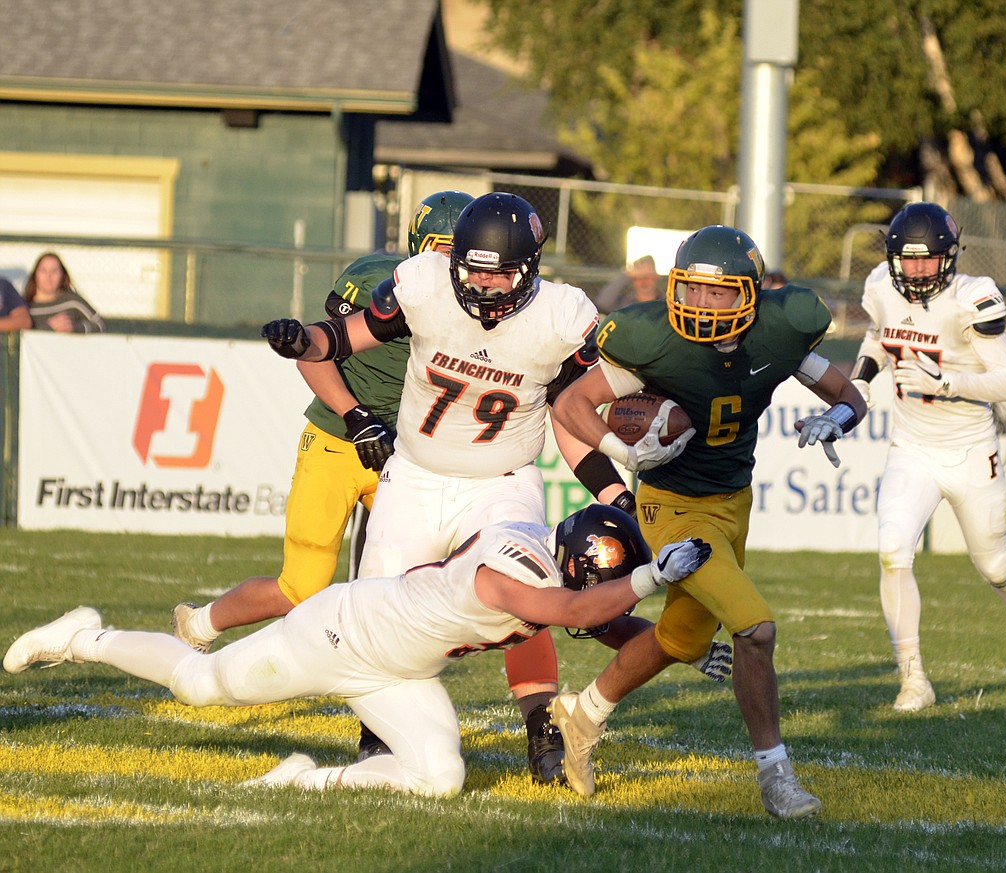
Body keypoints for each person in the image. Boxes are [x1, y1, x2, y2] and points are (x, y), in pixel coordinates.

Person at [260, 191, 649, 785]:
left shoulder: (562, 315)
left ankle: (544, 731)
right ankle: (380, 736)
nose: (482, 286)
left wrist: (609, 489)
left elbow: (571, 414)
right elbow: (341, 338)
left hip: (500, 481)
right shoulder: (424, 282)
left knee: (526, 594)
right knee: (377, 610)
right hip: (414, 475)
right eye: (472, 271)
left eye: (498, 275)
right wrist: (301, 338)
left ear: (529, 269)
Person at [3, 506, 711, 795]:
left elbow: (599, 620)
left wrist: (676, 643)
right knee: (199, 683)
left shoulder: (556, 569)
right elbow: (576, 609)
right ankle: (83, 636)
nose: (624, 588)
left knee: (440, 777)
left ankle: (305, 777)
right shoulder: (516, 567)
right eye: (619, 577)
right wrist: (652, 579)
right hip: (337, 634)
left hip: (398, 670)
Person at [547, 224, 867, 820]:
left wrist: (839, 419)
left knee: (680, 639)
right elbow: (570, 404)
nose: (702, 305)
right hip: (671, 507)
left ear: (748, 294)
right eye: (692, 291)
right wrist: (624, 449)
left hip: (733, 502)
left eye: (718, 295)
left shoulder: (779, 327)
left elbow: (849, 394)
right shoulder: (653, 339)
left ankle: (582, 713)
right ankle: (776, 776)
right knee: (755, 630)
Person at [171, 192, 474, 711]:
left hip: (407, 454)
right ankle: (198, 623)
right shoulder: (379, 283)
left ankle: (376, 689)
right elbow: (315, 352)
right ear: (419, 248)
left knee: (414, 579)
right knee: (301, 585)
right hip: (338, 438)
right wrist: (356, 417)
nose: (450, 264)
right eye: (442, 250)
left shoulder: (482, 306)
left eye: (459, 252)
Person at [848, 201, 1006, 713]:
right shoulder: (880, 285)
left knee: (994, 567)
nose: (917, 271)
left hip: (970, 451)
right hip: (911, 448)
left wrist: (947, 383)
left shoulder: (972, 298)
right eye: (909, 260)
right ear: (894, 259)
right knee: (893, 550)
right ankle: (914, 678)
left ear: (949, 257)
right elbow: (880, 334)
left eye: (928, 260)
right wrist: (859, 378)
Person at [23, 252, 105, 333]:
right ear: (35, 275)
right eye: (43, 271)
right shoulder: (24, 307)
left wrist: (75, 328)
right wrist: (49, 328)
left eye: (54, 271)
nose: (49, 276)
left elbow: (100, 324)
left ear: (62, 275)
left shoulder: (73, 301)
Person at [594, 254, 662, 313]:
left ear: (656, 277)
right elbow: (602, 303)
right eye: (638, 277)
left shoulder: (665, 303)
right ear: (632, 280)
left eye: (647, 277)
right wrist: (626, 274)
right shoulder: (625, 303)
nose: (643, 281)